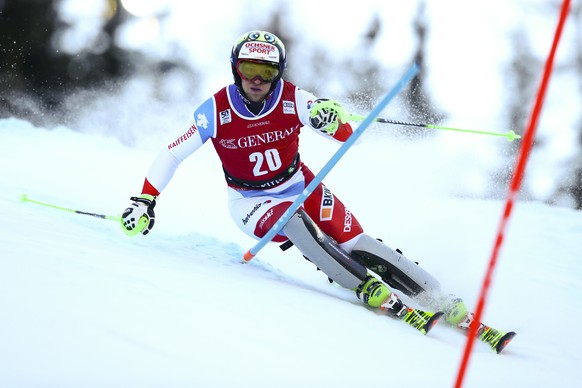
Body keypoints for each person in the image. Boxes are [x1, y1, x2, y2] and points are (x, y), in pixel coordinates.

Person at [121, 30, 513, 350]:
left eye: (267, 70)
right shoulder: (216, 110)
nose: (257, 79)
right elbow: (172, 153)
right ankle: (365, 287)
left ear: (279, 72)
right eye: (249, 68)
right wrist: (145, 200)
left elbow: (350, 137)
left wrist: (333, 118)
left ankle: (436, 296)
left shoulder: (293, 99)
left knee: (357, 241)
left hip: (301, 183)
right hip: (251, 201)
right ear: (235, 68)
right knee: (296, 222)